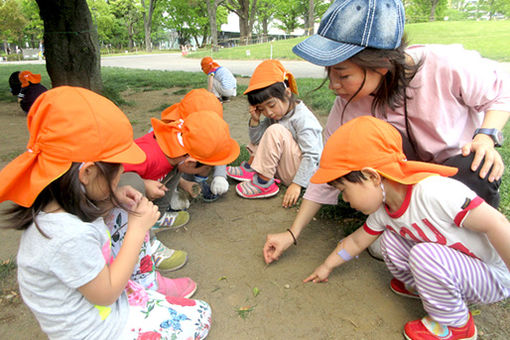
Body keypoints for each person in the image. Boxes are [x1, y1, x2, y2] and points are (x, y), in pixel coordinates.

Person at [263, 0, 510, 265]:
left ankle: (474, 250)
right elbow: (331, 168)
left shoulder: (444, 64)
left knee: (476, 167)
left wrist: (485, 136)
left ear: (381, 64)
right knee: (357, 179)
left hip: (454, 173)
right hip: (402, 184)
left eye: (343, 75)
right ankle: (412, 239)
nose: (333, 85)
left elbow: (499, 93)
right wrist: (293, 232)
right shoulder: (347, 105)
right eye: (329, 72)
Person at [0, 86, 211, 339]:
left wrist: (114, 196)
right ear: (87, 173)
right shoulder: (65, 237)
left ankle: (146, 286)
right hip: (98, 327)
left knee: (123, 210)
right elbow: (107, 294)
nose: (122, 175)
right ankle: (140, 298)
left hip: (101, 303)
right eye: (117, 172)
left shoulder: (60, 204)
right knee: (201, 315)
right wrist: (138, 229)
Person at [303, 116, 510, 339]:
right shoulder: (385, 210)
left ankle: (457, 325)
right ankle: (426, 289)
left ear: (372, 176)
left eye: (344, 190)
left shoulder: (434, 192)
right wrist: (327, 266)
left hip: (491, 276)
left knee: (424, 254)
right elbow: (355, 242)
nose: (344, 199)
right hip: (457, 267)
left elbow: (496, 223)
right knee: (390, 240)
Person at [226, 59, 323, 207]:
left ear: (287, 93)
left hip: (303, 174)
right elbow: (256, 139)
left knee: (274, 131)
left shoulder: (303, 118)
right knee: (266, 133)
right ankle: (253, 169)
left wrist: (297, 184)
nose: (268, 112)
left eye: (271, 105)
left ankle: (264, 183)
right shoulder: (278, 114)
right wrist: (255, 120)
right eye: (262, 109)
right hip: (285, 167)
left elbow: (312, 155)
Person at [159, 88, 230, 207]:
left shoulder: (212, 131)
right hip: (175, 174)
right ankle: (172, 194)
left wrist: (220, 176)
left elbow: (222, 150)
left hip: (192, 167)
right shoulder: (164, 139)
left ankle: (199, 183)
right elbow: (161, 171)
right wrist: (183, 183)